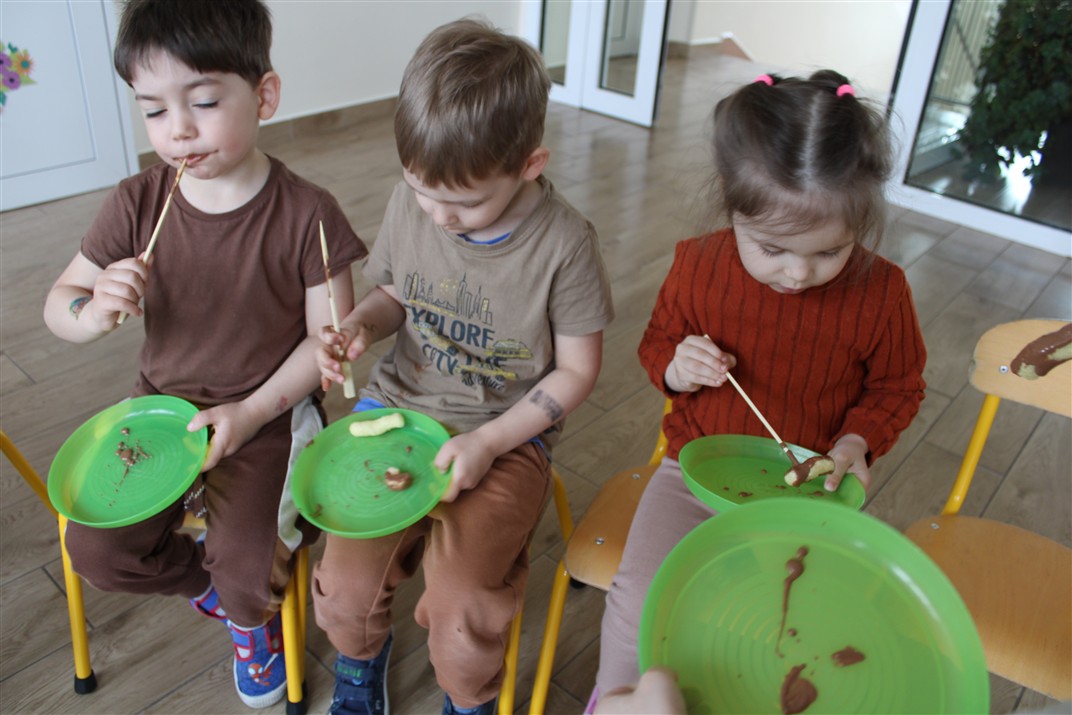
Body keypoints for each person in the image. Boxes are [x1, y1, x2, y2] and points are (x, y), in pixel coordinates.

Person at [42, 0, 366, 708]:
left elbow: (326, 345)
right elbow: (58, 303)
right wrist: (91, 311)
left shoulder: (309, 214)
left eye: (205, 101)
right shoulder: (136, 201)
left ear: (264, 96)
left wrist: (250, 413)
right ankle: (211, 591)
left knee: (249, 573)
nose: (178, 129)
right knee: (96, 550)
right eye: (153, 110)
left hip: (267, 417)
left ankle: (248, 617)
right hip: (162, 415)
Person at [594, 70, 927, 706]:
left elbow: (898, 386)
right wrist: (678, 367)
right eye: (772, 249)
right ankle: (618, 701)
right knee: (639, 601)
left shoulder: (883, 292)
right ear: (732, 204)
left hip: (809, 494)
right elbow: (656, 344)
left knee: (787, 638)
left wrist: (857, 441)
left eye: (829, 253)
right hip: (692, 477)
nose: (798, 274)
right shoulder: (697, 264)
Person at [311, 18, 614, 715]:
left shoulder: (566, 245)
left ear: (530, 164)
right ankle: (360, 660)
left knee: (463, 604)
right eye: (422, 190)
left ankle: (468, 697)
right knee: (346, 583)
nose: (439, 216)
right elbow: (393, 296)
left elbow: (576, 372)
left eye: (465, 202)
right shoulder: (413, 204)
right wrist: (359, 326)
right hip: (397, 408)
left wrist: (489, 441)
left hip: (504, 435)